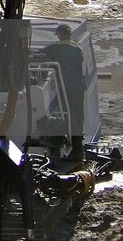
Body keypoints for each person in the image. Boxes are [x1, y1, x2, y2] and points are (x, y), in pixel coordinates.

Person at [38, 24, 88, 158]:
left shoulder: (56, 47)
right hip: (79, 87)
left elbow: (39, 55)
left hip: (67, 87)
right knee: (78, 115)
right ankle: (79, 148)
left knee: (69, 116)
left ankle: (75, 150)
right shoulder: (78, 47)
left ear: (60, 34)